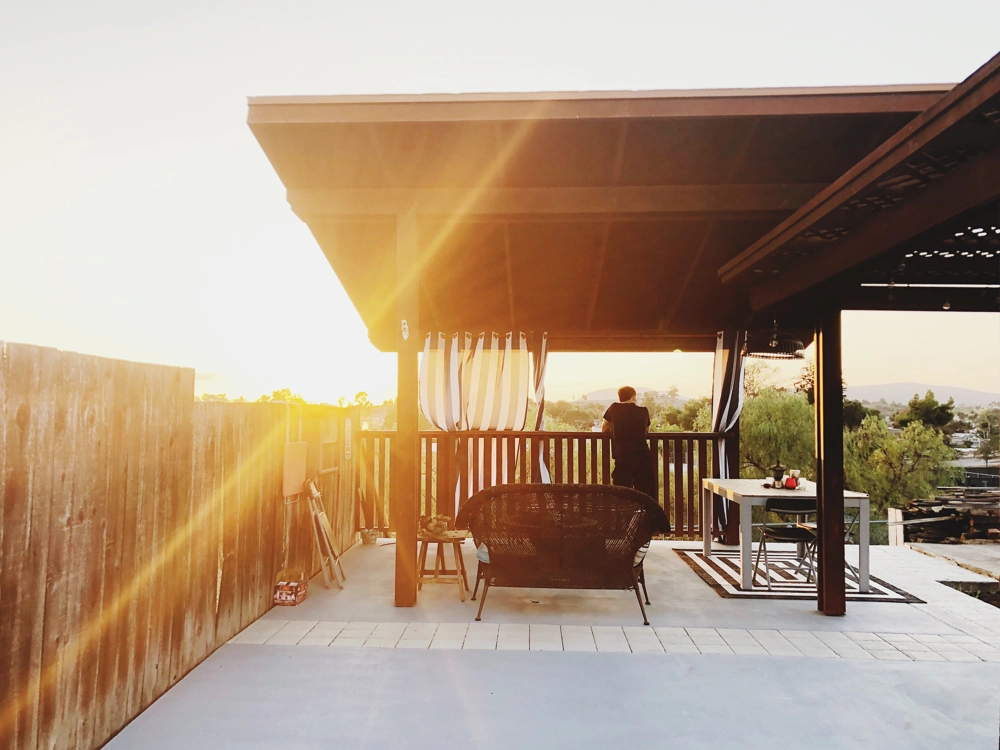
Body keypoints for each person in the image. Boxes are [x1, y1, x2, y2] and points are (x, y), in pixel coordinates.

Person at [602, 386, 657, 498]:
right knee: (645, 492)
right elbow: (646, 431)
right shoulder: (643, 411)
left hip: (623, 455)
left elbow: (604, 429)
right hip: (642, 454)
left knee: (621, 491)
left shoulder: (614, 408)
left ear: (620, 397)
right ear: (633, 396)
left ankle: (623, 514)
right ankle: (646, 515)